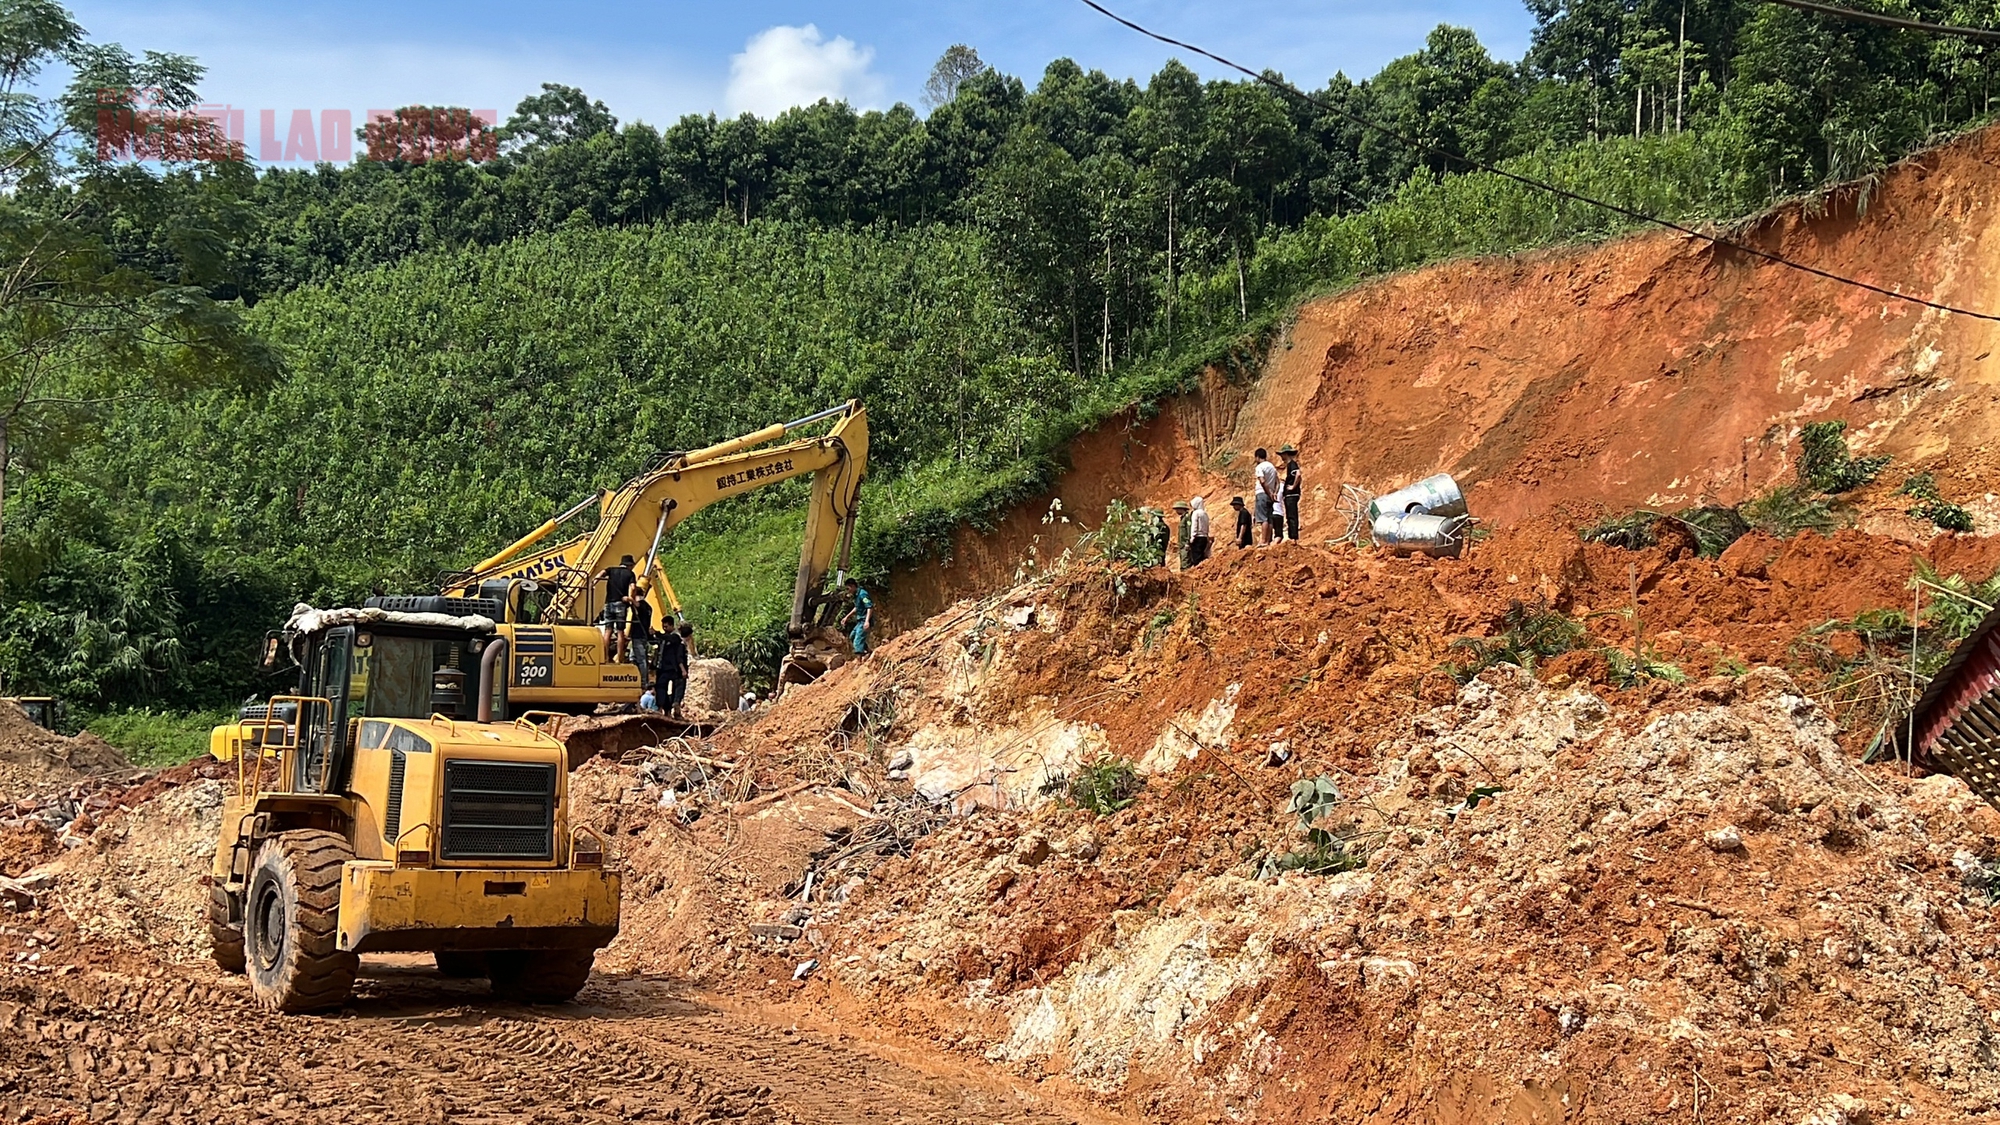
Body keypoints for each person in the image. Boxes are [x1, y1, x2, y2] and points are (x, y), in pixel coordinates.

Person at [598, 555, 638, 661]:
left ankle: (605, 657)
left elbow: (602, 573)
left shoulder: (611, 570)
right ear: (629, 565)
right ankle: (620, 657)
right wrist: (631, 599)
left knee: (608, 630)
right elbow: (633, 587)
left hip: (608, 603)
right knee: (620, 631)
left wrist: (594, 581)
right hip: (621, 603)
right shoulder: (630, 574)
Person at [655, 622, 690, 719]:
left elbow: (679, 658)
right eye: (663, 627)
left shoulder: (674, 638)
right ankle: (670, 708)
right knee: (670, 689)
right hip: (669, 669)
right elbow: (680, 658)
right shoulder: (676, 642)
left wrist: (657, 633)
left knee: (672, 689)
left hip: (671, 669)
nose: (664, 629)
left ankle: (670, 709)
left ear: (672, 626)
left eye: (666, 627)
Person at [624, 588, 653, 683]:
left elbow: (638, 605)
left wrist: (630, 599)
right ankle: (639, 678)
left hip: (638, 635)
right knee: (634, 657)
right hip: (643, 635)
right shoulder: (649, 607)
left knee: (641, 659)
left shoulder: (642, 605)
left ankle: (643, 681)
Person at [1252, 448, 1280, 546]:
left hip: (1262, 493)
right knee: (1269, 518)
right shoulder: (1272, 467)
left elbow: (1262, 481)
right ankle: (1268, 540)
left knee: (1263, 518)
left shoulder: (1260, 467)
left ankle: (1263, 541)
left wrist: (1268, 492)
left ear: (1257, 457)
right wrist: (1274, 493)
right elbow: (1278, 482)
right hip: (1270, 495)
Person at [842, 577, 874, 657]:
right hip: (860, 621)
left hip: (864, 620)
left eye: (848, 588)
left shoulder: (863, 594)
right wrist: (846, 617)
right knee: (852, 636)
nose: (848, 590)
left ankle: (859, 660)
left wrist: (867, 621)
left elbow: (869, 607)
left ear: (852, 586)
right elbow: (857, 607)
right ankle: (869, 651)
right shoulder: (856, 595)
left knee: (857, 640)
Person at [1279, 444, 1303, 541]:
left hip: (1291, 495)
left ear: (1286, 454)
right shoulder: (1290, 465)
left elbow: (1298, 474)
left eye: (1282, 454)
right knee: (1290, 515)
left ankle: (1293, 537)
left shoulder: (1292, 464)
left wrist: (1293, 486)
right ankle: (1292, 536)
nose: (1281, 457)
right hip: (1291, 494)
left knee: (1291, 515)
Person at [1187, 497, 1212, 566]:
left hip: (1197, 537)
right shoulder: (1205, 513)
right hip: (1204, 537)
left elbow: (1194, 525)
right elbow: (1207, 526)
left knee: (1196, 557)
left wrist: (1192, 537)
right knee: (1202, 556)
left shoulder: (1196, 513)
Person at [1171, 500, 1193, 568]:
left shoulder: (1187, 518)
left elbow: (1189, 530)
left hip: (1185, 544)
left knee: (1185, 563)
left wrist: (1187, 542)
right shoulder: (1183, 518)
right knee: (1183, 562)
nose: (1176, 511)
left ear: (1181, 509)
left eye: (1177, 509)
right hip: (1182, 544)